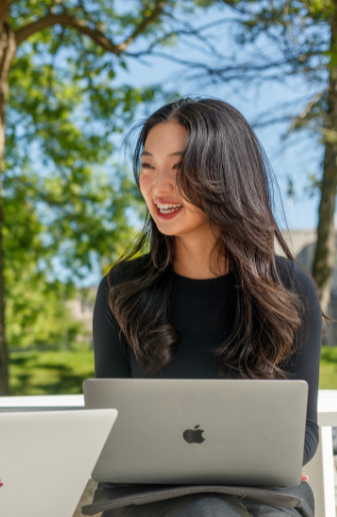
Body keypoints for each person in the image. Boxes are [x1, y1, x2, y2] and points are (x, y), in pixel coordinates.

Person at [92, 98, 322, 517]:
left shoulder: (289, 287)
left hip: (261, 497)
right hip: (150, 499)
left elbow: (303, 436)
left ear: (225, 174)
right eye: (148, 166)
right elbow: (111, 433)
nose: (159, 187)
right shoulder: (120, 290)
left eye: (179, 169)